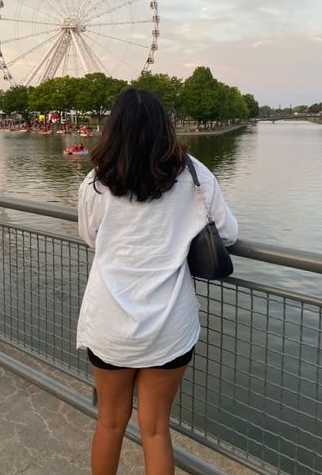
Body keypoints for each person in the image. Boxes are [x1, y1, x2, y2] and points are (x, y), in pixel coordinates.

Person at [76, 88, 237, 475]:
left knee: (110, 423)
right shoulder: (196, 177)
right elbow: (228, 233)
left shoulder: (95, 183)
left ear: (112, 129)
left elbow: (90, 237)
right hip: (169, 326)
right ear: (167, 127)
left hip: (109, 323)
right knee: (155, 431)